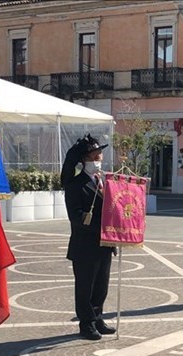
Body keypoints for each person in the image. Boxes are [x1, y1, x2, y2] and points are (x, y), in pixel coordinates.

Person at [62, 134, 117, 340]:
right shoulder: (76, 184)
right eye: (95, 155)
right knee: (86, 286)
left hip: (104, 244)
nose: (99, 159)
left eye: (100, 155)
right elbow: (76, 217)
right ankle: (86, 324)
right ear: (84, 160)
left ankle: (97, 317)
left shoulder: (104, 180)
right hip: (85, 245)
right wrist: (101, 227)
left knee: (101, 286)